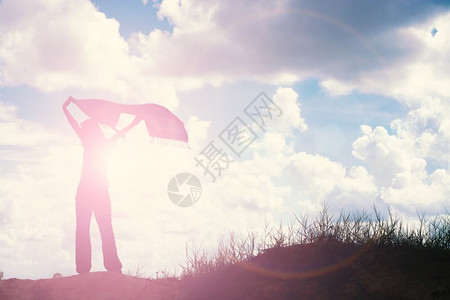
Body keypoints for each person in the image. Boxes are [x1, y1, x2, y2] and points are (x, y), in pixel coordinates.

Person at [63, 96, 141, 274]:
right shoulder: (105, 144)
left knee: (83, 229)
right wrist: (134, 123)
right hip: (99, 192)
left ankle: (84, 268)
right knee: (105, 229)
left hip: (84, 193)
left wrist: (66, 109)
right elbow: (120, 133)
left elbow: (74, 124)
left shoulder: (89, 144)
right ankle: (112, 266)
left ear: (88, 132)